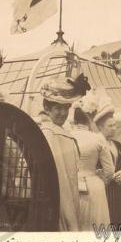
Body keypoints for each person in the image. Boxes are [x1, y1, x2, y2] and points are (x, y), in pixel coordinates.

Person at [39, 74, 90, 231]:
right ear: (47, 108)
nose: (62, 113)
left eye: (65, 108)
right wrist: (70, 221)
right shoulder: (51, 133)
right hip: (57, 205)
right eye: (57, 108)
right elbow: (61, 179)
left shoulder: (58, 131)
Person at [71, 90, 115, 231]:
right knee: (94, 228)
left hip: (70, 186)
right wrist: (99, 177)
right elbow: (110, 171)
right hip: (93, 186)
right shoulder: (97, 139)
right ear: (90, 118)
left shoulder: (67, 136)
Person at [94, 96, 121, 229]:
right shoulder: (95, 143)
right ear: (100, 126)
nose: (114, 128)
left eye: (115, 125)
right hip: (103, 192)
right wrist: (103, 174)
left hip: (118, 192)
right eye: (110, 126)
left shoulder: (117, 144)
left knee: (117, 222)